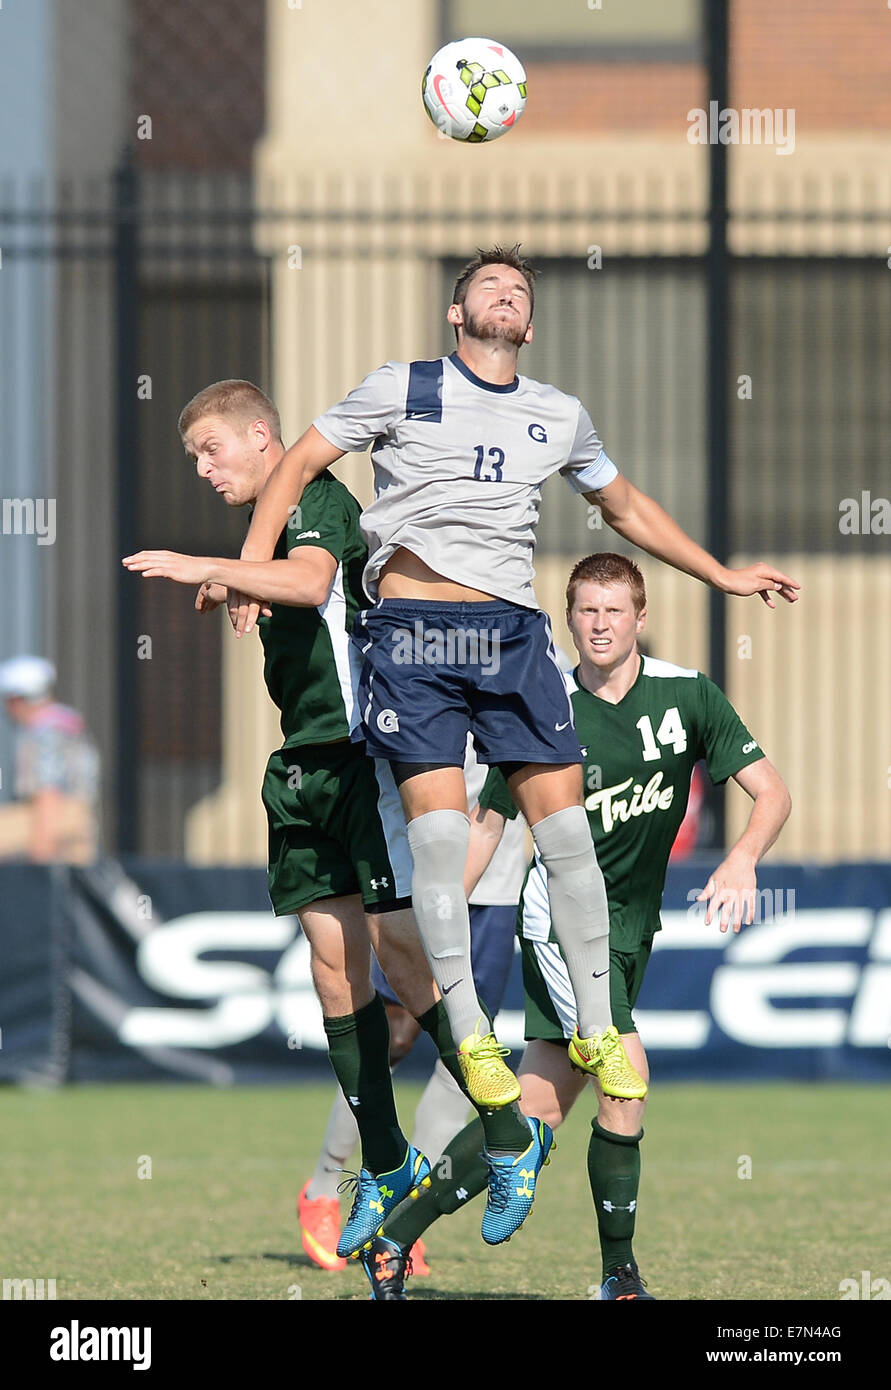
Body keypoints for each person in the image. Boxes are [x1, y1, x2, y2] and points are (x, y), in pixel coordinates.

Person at [232, 245, 800, 1170]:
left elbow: (627, 508)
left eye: (519, 293)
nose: (506, 296)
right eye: (488, 287)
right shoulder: (403, 386)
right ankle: (474, 1041)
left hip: (511, 638)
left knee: (566, 837)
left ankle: (598, 1027)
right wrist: (257, 571)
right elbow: (296, 463)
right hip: (412, 636)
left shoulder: (558, 413)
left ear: (526, 327)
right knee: (443, 846)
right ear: (457, 316)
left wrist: (721, 574)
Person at [122, 379, 544, 1253]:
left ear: (260, 436)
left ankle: (505, 1129)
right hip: (303, 765)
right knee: (332, 970)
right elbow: (281, 580)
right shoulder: (268, 526)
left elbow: (313, 582)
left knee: (399, 956)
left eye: (212, 450)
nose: (203, 469)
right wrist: (238, 577)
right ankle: (387, 1160)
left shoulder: (318, 496)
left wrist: (214, 569)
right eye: (194, 458)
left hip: (364, 756)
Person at [359, 552, 792, 1300]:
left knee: (534, 1112)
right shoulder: (539, 704)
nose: (599, 625)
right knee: (626, 1080)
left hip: (630, 931)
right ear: (569, 618)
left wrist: (744, 859)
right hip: (557, 926)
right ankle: (618, 1279)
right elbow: (487, 825)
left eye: (613, 610)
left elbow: (772, 793)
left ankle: (394, 1238)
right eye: (586, 611)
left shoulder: (687, 696)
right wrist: (441, 917)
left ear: (639, 618)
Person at [298, 733, 529, 1273]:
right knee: (395, 1034)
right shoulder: (402, 649)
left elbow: (534, 755)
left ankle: (400, 1214)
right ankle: (325, 1189)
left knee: (469, 1049)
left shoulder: (537, 655)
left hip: (492, 886)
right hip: (411, 875)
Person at [0, 655, 100, 864]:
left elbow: (48, 795)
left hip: (50, 830)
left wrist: (40, 858)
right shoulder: (70, 725)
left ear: (17, 700)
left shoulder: (42, 734)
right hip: (79, 830)